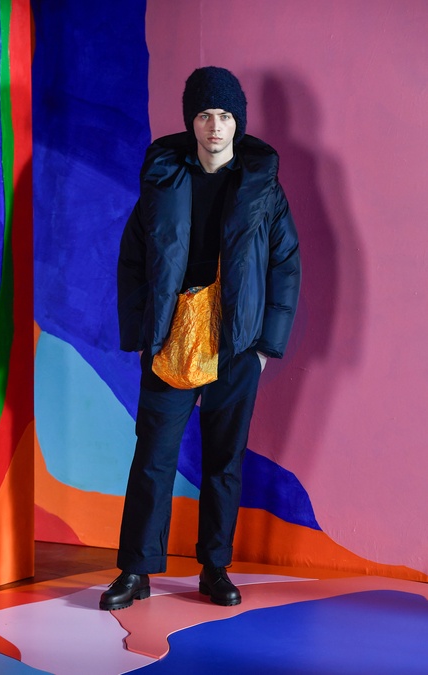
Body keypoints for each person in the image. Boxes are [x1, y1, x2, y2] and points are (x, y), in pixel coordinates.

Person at [100, 66, 301, 611]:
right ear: (191, 120)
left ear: (239, 123)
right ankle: (135, 571)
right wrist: (143, 333)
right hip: (171, 338)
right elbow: (132, 258)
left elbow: (285, 263)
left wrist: (264, 347)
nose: (215, 126)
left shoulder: (262, 185)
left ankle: (215, 568)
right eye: (206, 115)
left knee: (224, 460)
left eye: (226, 115)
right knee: (153, 456)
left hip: (236, 342)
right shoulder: (164, 177)